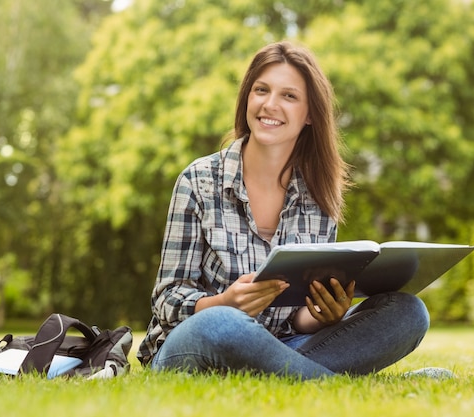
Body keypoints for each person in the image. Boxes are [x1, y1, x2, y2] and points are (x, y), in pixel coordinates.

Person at [136, 41, 430, 380]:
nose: (270, 105)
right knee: (224, 324)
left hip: (283, 345)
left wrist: (322, 315)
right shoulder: (198, 181)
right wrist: (224, 303)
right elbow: (168, 300)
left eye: (288, 96)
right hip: (195, 347)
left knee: (409, 311)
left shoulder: (318, 194)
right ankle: (330, 382)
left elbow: (296, 319)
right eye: (261, 90)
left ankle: (292, 375)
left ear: (309, 115)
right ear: (247, 98)